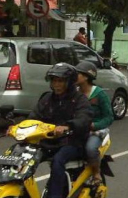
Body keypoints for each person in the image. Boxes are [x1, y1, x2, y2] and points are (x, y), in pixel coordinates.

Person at [29, 63, 93, 198]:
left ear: (69, 83)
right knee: (25, 158)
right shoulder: (47, 98)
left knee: (57, 161)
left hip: (71, 142)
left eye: (60, 81)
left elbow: (84, 118)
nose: (56, 84)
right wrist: (19, 127)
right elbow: (34, 117)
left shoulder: (79, 99)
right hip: (48, 142)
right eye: (54, 81)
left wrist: (68, 126)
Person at [75, 61, 113, 186]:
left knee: (90, 149)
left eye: (77, 74)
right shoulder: (74, 94)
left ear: (86, 76)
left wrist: (94, 125)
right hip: (77, 129)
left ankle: (96, 172)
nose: (74, 76)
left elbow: (108, 117)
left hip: (95, 131)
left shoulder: (99, 94)